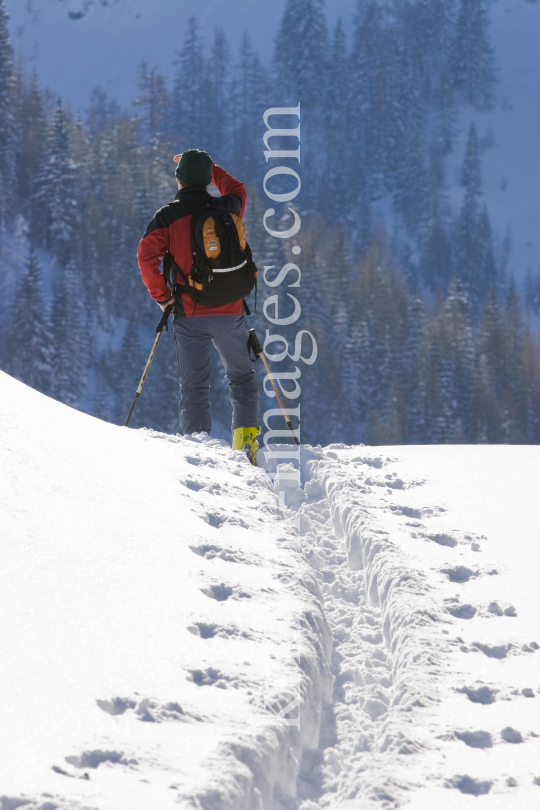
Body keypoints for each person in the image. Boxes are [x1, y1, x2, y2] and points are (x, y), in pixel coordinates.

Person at [137, 149, 260, 464]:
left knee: (194, 386)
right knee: (242, 377)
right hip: (232, 311)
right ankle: (247, 445)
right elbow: (238, 189)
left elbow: (145, 257)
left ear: (178, 180)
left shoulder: (168, 217)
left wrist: (163, 297)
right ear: (207, 181)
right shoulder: (227, 207)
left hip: (190, 314)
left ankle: (198, 451)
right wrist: (212, 168)